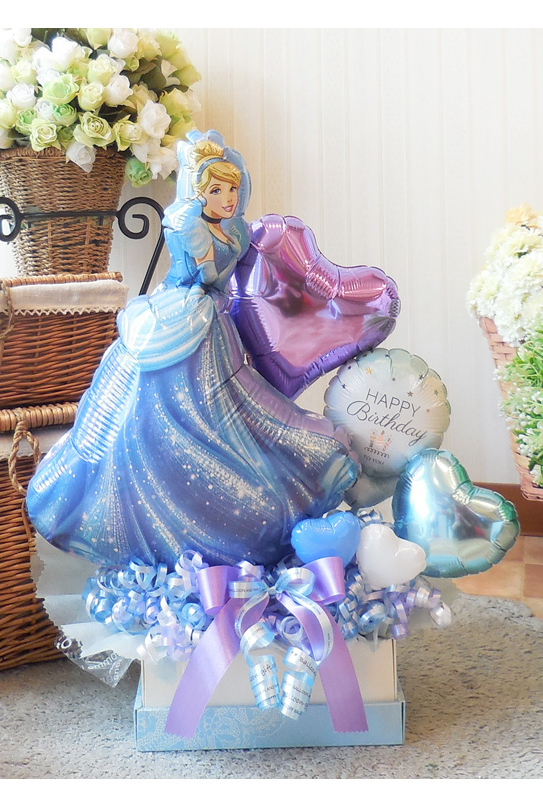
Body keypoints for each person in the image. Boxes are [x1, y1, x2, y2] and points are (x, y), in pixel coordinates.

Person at [26, 130, 358, 569]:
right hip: (181, 317)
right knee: (154, 416)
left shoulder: (233, 228)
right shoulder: (187, 225)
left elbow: (235, 279)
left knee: (226, 415)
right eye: (215, 190)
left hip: (211, 324)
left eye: (232, 189)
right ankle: (156, 518)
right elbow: (205, 275)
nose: (227, 198)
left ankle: (232, 515)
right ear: (198, 193)